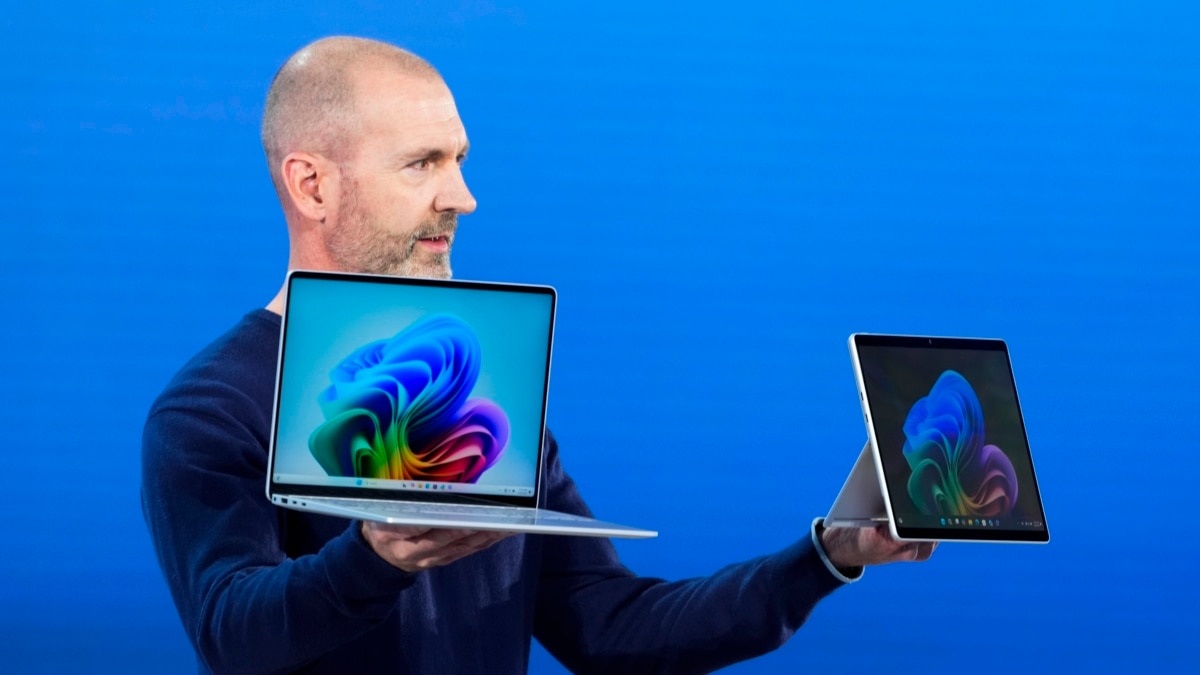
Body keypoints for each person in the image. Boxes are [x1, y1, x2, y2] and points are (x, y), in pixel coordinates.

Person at [141, 36, 935, 675]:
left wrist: (826, 553)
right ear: (312, 186)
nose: (462, 196)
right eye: (422, 163)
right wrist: (377, 556)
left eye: (459, 159)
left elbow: (615, 630)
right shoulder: (211, 408)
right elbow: (231, 633)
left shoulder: (479, 403)